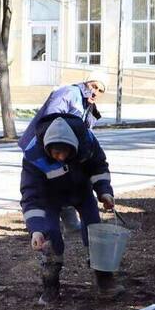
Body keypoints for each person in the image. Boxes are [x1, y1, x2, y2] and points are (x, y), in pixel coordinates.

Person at [19, 112, 124, 305]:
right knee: (50, 238)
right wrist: (35, 230)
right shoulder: (33, 155)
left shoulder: (87, 142)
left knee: (96, 232)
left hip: (81, 191)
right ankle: (50, 288)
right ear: (46, 148)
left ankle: (105, 282)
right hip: (49, 198)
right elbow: (31, 195)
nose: (60, 157)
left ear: (74, 147)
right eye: (55, 153)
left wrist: (104, 192)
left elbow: (99, 167)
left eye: (64, 152)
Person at [18, 70, 110, 236]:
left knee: (69, 183)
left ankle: (69, 224)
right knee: (47, 188)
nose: (95, 91)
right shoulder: (68, 93)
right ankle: (56, 225)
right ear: (86, 82)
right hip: (46, 149)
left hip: (69, 151)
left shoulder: (88, 104)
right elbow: (52, 121)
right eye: (94, 86)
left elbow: (88, 140)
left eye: (100, 90)